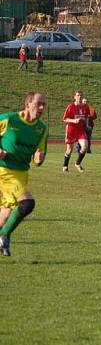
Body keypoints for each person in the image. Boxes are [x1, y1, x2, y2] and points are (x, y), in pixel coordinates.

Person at [0, 92, 48, 257]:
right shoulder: (8, 119)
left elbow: (39, 157)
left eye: (44, 105)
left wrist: (39, 159)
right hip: (4, 171)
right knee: (27, 203)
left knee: (5, 215)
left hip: (22, 173)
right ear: (28, 103)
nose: (42, 108)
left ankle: (2, 233)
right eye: (38, 104)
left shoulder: (41, 129)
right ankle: (5, 236)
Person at [62, 90, 90, 173]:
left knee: (85, 146)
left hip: (80, 130)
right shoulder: (71, 106)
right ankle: (65, 165)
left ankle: (77, 163)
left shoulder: (85, 106)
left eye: (81, 95)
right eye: (78, 95)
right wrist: (74, 121)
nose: (79, 97)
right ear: (74, 97)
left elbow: (87, 116)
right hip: (71, 130)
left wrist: (87, 124)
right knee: (69, 150)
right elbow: (65, 119)